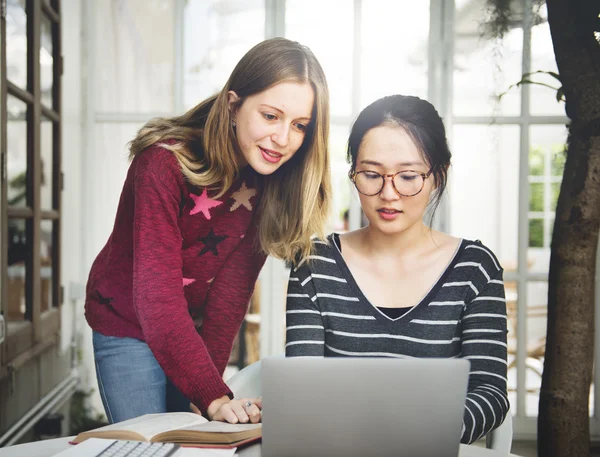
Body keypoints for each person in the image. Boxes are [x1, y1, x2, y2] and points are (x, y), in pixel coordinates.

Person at [85, 37, 331, 425]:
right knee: (152, 443)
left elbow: (229, 297)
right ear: (233, 105)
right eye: (271, 116)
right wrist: (214, 395)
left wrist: (207, 394)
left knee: (192, 435)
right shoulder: (161, 166)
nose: (283, 139)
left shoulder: (272, 181)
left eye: (300, 125)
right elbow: (157, 298)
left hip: (189, 330)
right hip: (128, 323)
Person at [285, 94, 508, 444]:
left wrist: (431, 430)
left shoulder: (474, 269)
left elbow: (490, 391)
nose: (388, 194)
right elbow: (301, 388)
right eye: (371, 174)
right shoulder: (316, 264)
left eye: (408, 176)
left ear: (438, 175)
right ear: (353, 173)